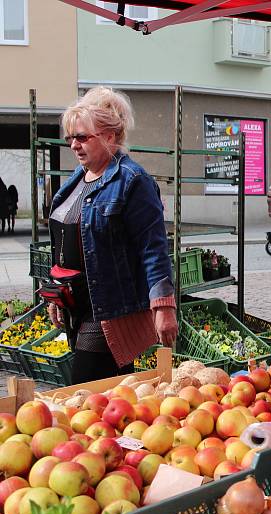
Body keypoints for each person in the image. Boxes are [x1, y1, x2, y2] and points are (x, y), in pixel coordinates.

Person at [46, 86, 178, 383]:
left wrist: (164, 307)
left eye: (82, 137)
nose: (74, 145)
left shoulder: (133, 180)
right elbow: (65, 244)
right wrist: (57, 295)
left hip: (108, 309)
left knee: (86, 389)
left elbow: (153, 247)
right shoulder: (76, 180)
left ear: (109, 137)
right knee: (114, 392)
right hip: (77, 306)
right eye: (70, 138)